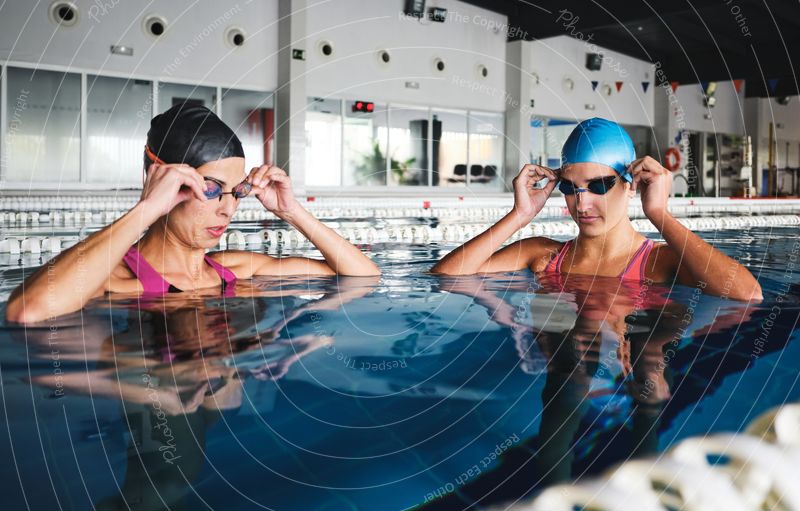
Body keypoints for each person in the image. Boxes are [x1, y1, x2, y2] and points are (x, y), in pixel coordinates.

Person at [5, 103, 380, 323]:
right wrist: (148, 208)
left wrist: (293, 211)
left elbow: (363, 275)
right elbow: (29, 311)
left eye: (237, 192)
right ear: (163, 180)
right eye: (211, 188)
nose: (227, 208)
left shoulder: (235, 269)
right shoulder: (113, 281)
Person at [430, 117, 762, 302]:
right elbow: (447, 276)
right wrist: (520, 216)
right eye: (571, 188)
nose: (582, 204)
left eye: (600, 185)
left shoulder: (661, 262)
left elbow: (748, 294)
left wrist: (659, 214)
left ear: (631, 184)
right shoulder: (542, 253)